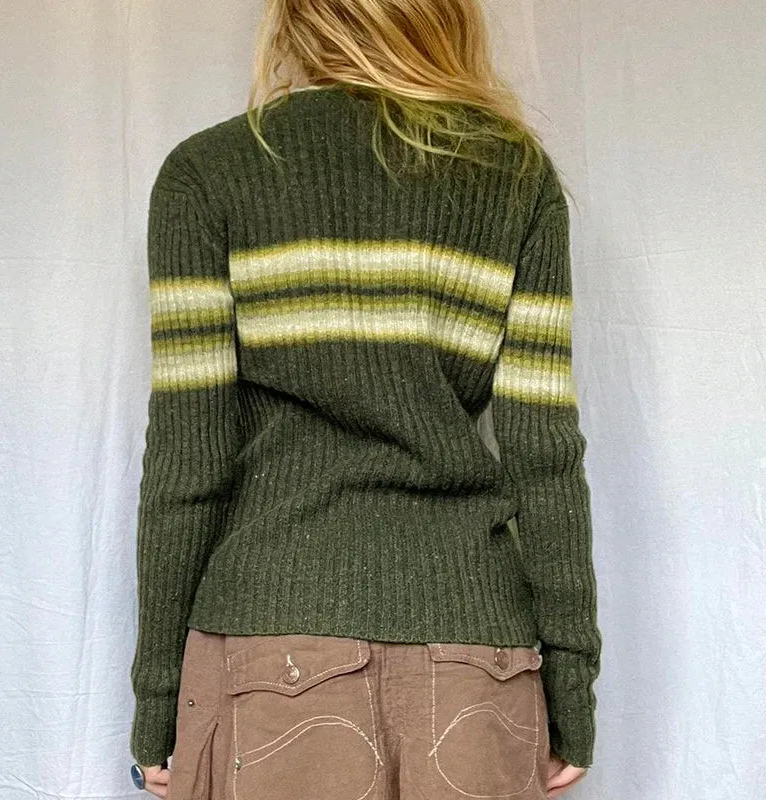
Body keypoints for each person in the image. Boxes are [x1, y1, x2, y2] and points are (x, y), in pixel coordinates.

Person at [127, 1, 602, 798]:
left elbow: (187, 465)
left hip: (267, 644)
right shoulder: (514, 176)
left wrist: (156, 706)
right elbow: (543, 454)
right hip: (473, 650)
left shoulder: (208, 172)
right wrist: (572, 693)